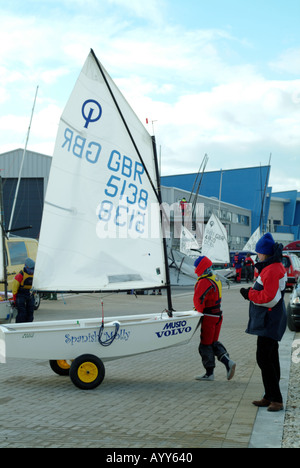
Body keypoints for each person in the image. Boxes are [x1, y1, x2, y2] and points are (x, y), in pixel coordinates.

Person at [240, 232, 287, 412]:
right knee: (270, 357)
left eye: (258, 252)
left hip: (270, 320)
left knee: (264, 358)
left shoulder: (272, 269)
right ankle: (270, 395)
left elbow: (271, 298)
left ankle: (276, 398)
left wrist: (249, 294)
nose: (257, 255)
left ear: (264, 253)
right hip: (270, 320)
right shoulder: (272, 267)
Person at [193, 255, 236, 381]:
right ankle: (228, 361)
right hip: (218, 315)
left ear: (200, 267)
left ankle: (209, 373)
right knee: (213, 343)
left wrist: (197, 313)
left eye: (196, 267)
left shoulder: (203, 281)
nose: (195, 269)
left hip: (209, 317)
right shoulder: (214, 277)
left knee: (205, 345)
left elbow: (198, 302)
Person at [12, 258, 35, 323]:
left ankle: (28, 326)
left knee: (30, 312)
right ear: (26, 267)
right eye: (31, 269)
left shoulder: (34, 275)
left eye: (33, 269)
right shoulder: (20, 275)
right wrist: (14, 299)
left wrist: (34, 293)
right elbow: (14, 288)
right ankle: (19, 327)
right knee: (22, 313)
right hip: (21, 294)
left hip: (30, 294)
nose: (32, 271)